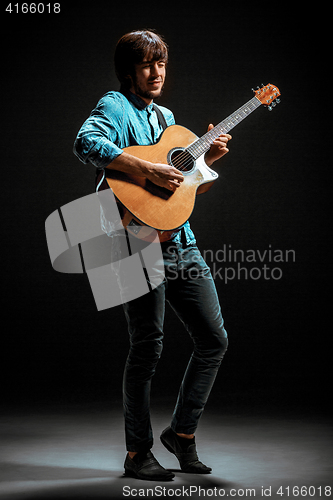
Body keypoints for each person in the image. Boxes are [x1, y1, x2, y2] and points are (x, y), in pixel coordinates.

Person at [74, 30, 231, 481]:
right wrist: (144, 167)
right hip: (130, 237)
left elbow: (179, 184)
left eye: (161, 63)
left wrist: (207, 160)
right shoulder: (114, 105)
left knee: (214, 340)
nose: (157, 72)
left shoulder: (167, 116)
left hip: (179, 239)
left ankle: (180, 435)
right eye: (147, 64)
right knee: (147, 348)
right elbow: (86, 144)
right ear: (129, 71)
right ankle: (137, 453)